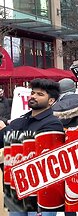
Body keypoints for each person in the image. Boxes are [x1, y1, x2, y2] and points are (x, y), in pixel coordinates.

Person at [1, 79, 62, 216]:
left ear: (51, 101)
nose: (33, 96)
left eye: (40, 94)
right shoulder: (19, 121)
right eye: (33, 93)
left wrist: (6, 131)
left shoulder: (53, 124)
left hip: (41, 192)